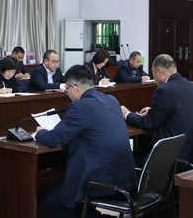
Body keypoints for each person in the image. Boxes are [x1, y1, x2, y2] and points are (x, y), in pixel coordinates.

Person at [35, 65, 136, 218]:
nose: (67, 94)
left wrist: (41, 132)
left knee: (44, 202)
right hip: (124, 179)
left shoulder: (78, 107)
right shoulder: (112, 100)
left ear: (73, 87)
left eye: (66, 90)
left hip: (98, 183)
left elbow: (54, 139)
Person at [121, 54, 193, 167]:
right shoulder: (191, 86)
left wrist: (127, 114)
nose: (154, 79)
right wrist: (153, 110)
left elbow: (149, 123)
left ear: (159, 71)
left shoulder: (163, 90)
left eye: (153, 74)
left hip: (176, 159)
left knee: (131, 161)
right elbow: (178, 109)